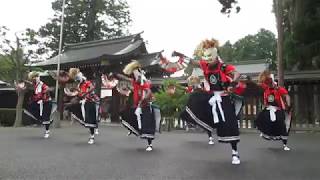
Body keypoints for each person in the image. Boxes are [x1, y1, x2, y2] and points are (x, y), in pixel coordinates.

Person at [173, 38, 241, 165]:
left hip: (224, 97)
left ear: (216, 57)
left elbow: (237, 73)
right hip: (211, 98)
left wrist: (232, 82)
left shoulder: (224, 66)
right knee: (195, 97)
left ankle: (235, 152)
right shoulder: (205, 65)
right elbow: (192, 61)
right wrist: (179, 55)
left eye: (210, 58)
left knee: (230, 125)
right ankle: (204, 128)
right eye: (206, 59)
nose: (208, 62)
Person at [116, 60, 159, 152]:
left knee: (147, 124)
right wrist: (117, 75)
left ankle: (149, 144)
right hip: (138, 106)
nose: (135, 77)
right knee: (125, 114)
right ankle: (137, 130)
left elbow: (148, 92)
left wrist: (143, 100)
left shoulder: (143, 81)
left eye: (136, 75)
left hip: (146, 105)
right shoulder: (136, 82)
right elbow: (126, 78)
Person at [255, 70, 292, 151]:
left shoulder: (279, 89)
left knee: (281, 125)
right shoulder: (266, 90)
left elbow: (287, 96)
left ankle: (285, 144)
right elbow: (265, 99)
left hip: (278, 109)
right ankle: (265, 132)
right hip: (269, 109)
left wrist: (288, 106)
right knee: (260, 118)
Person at [65, 68, 99, 144]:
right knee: (71, 107)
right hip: (83, 102)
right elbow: (80, 94)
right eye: (75, 79)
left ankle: (92, 136)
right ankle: (90, 128)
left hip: (91, 102)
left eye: (77, 78)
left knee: (91, 119)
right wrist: (75, 90)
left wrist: (86, 93)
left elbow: (92, 87)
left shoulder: (87, 82)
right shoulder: (79, 85)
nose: (76, 80)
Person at [23, 71, 53, 138]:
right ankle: (42, 120)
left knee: (46, 117)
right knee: (30, 107)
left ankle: (47, 131)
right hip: (40, 102)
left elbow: (39, 95)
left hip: (46, 103)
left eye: (33, 78)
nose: (32, 80)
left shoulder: (40, 84)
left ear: (35, 78)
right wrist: (25, 82)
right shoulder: (35, 84)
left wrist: (33, 99)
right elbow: (31, 84)